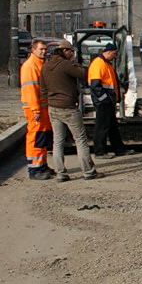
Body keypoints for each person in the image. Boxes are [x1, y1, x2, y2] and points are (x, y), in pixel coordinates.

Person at [40, 40, 101, 182]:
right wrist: (74, 62)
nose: (72, 54)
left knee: (58, 142)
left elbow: (42, 89)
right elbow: (83, 74)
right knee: (80, 140)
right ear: (65, 51)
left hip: (53, 108)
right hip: (68, 108)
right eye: (71, 52)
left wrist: (50, 100)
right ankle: (88, 172)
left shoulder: (46, 66)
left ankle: (61, 174)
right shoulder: (66, 65)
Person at [88, 42, 134, 159]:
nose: (115, 56)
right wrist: (105, 100)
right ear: (107, 52)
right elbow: (95, 86)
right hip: (104, 102)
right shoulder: (99, 64)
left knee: (112, 126)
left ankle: (119, 149)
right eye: (114, 54)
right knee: (102, 127)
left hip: (108, 101)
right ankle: (100, 152)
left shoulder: (105, 64)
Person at [20, 39, 53, 180]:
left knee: (42, 137)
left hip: (42, 107)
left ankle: (42, 165)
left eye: (45, 49)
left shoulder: (40, 64)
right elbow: (30, 90)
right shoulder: (30, 66)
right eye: (41, 49)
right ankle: (34, 169)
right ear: (33, 50)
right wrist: (35, 110)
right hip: (36, 108)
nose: (44, 51)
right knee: (36, 138)